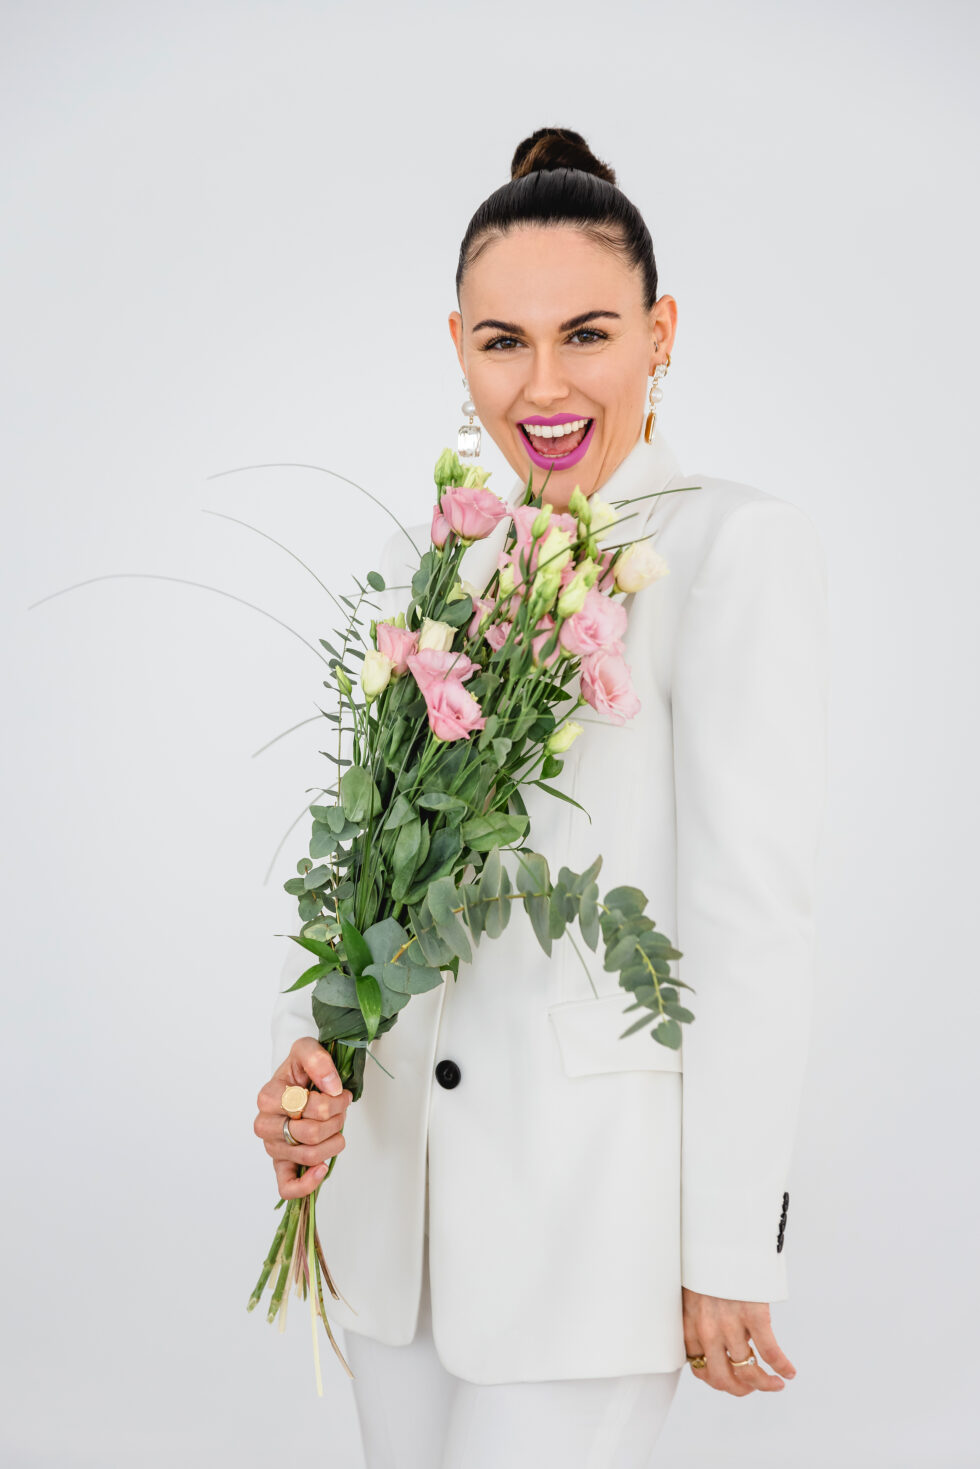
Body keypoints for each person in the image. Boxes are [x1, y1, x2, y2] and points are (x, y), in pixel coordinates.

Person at [252, 125, 829, 1467]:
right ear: (458, 345)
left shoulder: (729, 549)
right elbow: (360, 872)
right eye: (505, 341)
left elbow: (752, 919)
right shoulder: (427, 560)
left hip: (594, 1228)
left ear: (659, 334)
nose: (546, 383)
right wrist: (307, 1057)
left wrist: (731, 1243)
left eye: (589, 334)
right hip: (395, 1212)